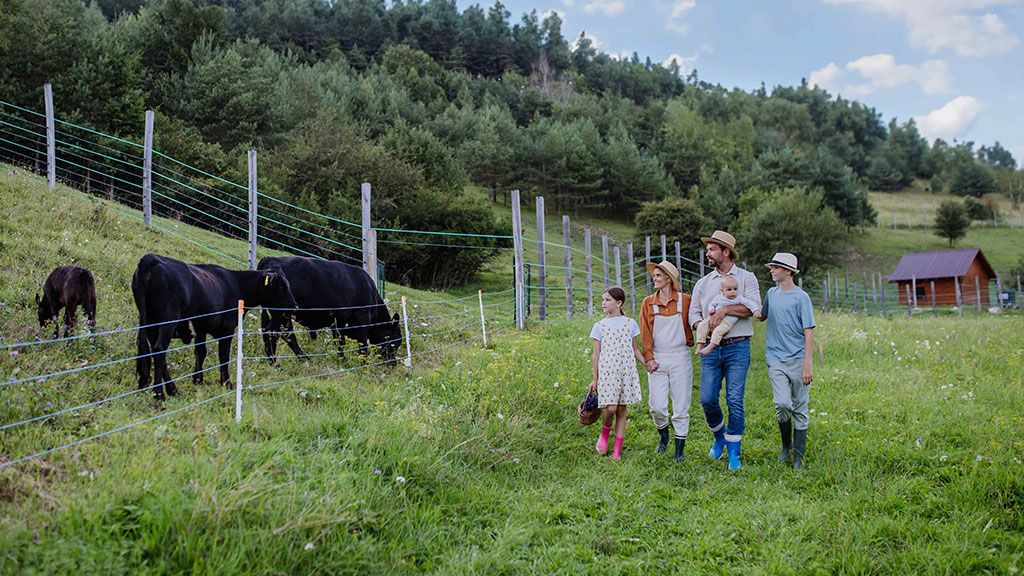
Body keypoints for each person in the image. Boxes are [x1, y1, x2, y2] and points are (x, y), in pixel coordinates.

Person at [688, 230, 761, 471]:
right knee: (707, 399)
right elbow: (694, 315)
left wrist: (724, 311)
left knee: (734, 400)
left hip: (738, 346)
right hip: (711, 347)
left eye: (711, 249)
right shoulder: (703, 283)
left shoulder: (746, 278)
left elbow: (752, 308)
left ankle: (734, 454)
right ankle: (720, 438)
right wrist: (703, 326)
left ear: (725, 252)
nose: (707, 253)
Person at [754, 252, 815, 470]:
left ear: (787, 271)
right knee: (782, 404)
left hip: (798, 360)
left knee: (799, 407)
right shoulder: (771, 293)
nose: (771, 270)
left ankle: (798, 456)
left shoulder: (801, 298)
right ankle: (785, 446)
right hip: (776, 358)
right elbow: (762, 315)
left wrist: (808, 364)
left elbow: (809, 332)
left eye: (775, 268)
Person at [639, 261, 694, 462]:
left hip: (680, 356)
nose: (655, 278)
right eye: (654, 276)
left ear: (670, 279)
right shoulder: (648, 303)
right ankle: (664, 436)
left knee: (681, 407)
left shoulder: (685, 301)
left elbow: (697, 321)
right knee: (657, 406)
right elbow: (645, 333)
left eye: (659, 275)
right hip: (658, 358)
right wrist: (649, 358)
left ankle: (679, 451)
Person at [589, 286, 645, 461]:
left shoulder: (630, 324)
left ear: (619, 303)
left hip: (625, 371)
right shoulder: (600, 326)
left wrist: (647, 364)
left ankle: (617, 450)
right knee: (610, 408)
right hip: (608, 372)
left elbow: (635, 349)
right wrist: (595, 379)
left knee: (621, 409)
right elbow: (596, 354)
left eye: (607, 300)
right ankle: (605, 434)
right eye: (603, 299)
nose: (603, 303)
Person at [695, 275, 759, 356]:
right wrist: (711, 309)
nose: (733, 292)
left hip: (728, 321)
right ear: (722, 290)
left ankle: (710, 347)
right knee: (702, 325)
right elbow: (712, 304)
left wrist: (756, 310)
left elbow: (750, 304)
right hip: (713, 317)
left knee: (718, 331)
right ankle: (700, 344)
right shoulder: (718, 298)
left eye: (735, 289)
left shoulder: (739, 298)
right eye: (729, 289)